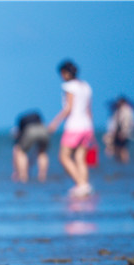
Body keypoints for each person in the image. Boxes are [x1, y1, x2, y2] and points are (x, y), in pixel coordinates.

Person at [47, 60, 94, 197]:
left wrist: (54, 123)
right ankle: (84, 185)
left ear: (66, 73)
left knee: (64, 157)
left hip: (74, 126)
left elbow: (68, 108)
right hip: (87, 126)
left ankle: (81, 184)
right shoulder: (86, 86)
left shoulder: (69, 86)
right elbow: (89, 109)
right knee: (80, 158)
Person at [12, 110, 50, 183]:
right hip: (43, 129)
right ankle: (42, 176)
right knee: (42, 152)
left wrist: (15, 170)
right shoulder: (36, 116)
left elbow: (17, 147)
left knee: (21, 152)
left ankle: (23, 176)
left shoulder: (20, 121)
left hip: (30, 130)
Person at [103, 96, 134, 164]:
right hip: (119, 133)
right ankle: (121, 164)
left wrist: (123, 132)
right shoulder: (120, 110)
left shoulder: (126, 111)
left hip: (123, 133)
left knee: (123, 149)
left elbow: (127, 123)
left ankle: (124, 163)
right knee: (119, 149)